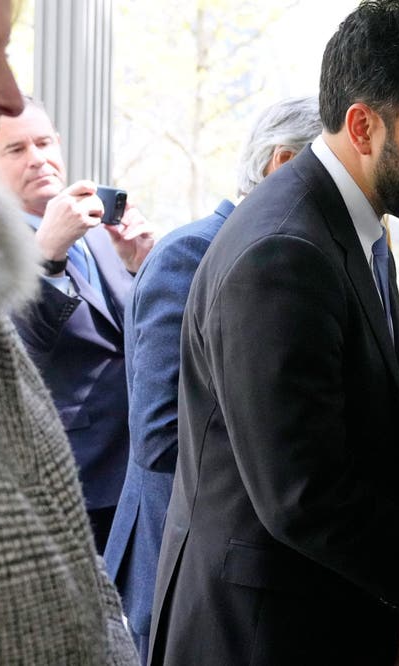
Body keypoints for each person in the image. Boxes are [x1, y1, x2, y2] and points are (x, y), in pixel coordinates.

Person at [148, 2, 399, 664]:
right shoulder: (285, 250)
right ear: (363, 125)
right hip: (262, 636)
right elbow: (304, 496)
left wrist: (389, 611)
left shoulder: (349, 227)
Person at [0, 0, 138, 662]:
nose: (9, 92)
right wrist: (43, 255)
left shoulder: (92, 239)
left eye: (46, 142)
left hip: (101, 489)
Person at [102, 95, 322, 661]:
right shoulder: (191, 253)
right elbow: (161, 437)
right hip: (175, 568)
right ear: (282, 164)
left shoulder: (283, 254)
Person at [0, 97, 157, 553]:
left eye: (44, 142)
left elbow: (141, 338)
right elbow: (13, 353)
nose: (38, 158)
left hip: (143, 469)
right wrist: (45, 256)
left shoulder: (102, 232)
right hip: (67, 482)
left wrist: (144, 267)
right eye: (16, 149)